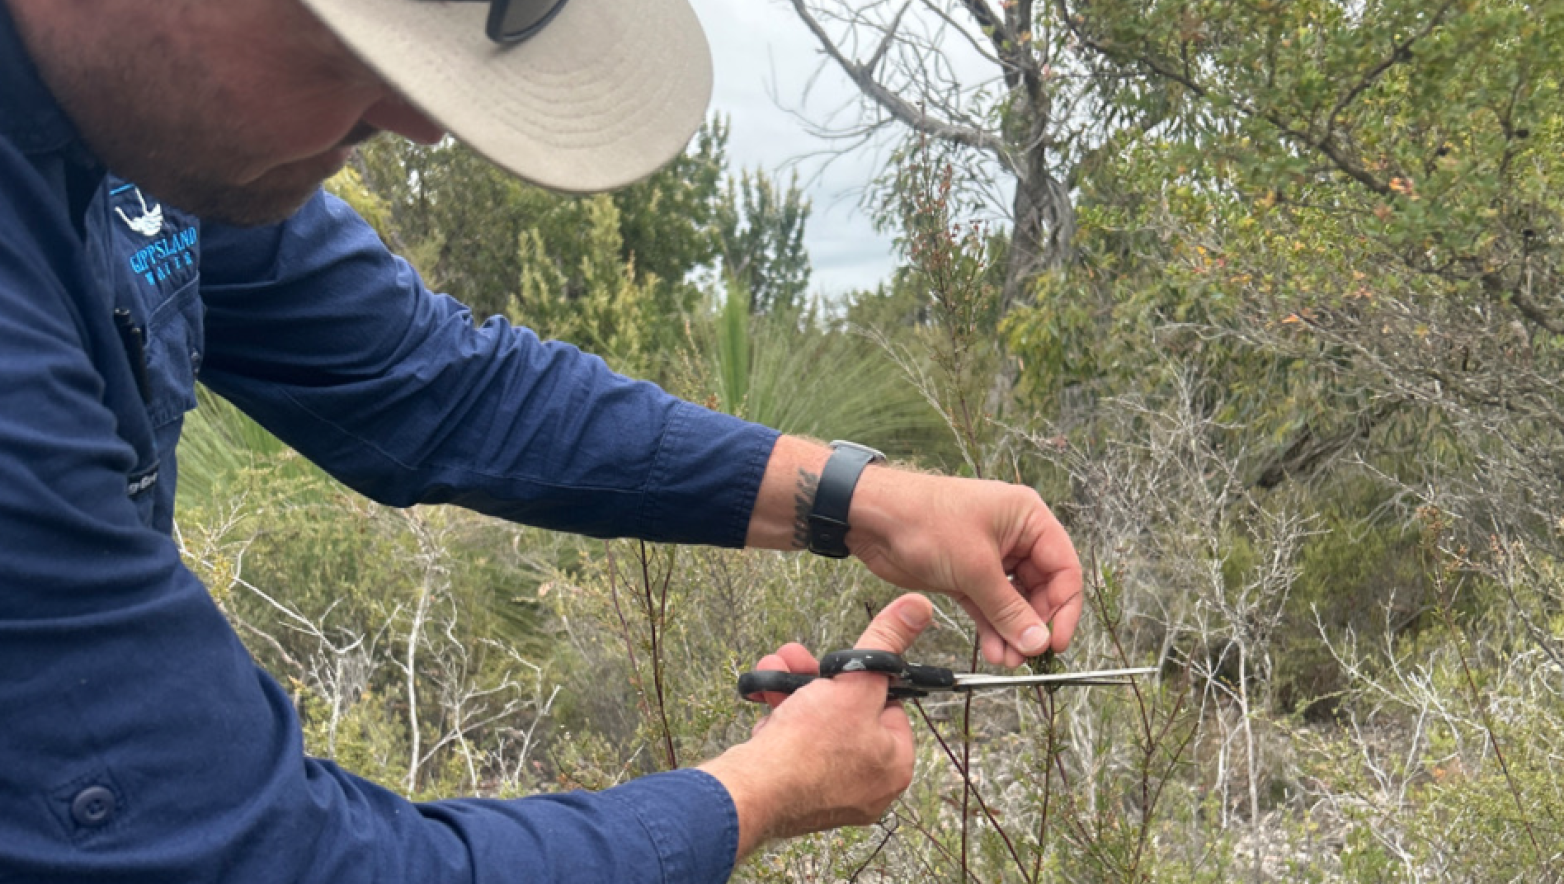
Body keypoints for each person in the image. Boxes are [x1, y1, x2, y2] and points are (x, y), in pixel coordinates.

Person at [0, 0, 1084, 880]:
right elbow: (264, 856)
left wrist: (859, 497)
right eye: (357, 33)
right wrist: (759, 791)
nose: (422, 120)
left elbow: (432, 381)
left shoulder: (150, 137)